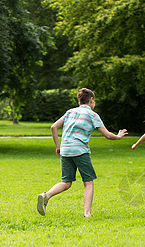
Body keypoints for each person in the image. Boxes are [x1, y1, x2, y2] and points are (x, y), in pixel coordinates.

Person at [37, 88, 128, 218]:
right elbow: (107, 135)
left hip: (66, 150)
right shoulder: (92, 115)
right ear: (91, 100)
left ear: (79, 101)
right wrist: (118, 136)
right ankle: (87, 214)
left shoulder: (70, 112)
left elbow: (53, 127)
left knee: (66, 182)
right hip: (80, 150)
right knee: (88, 182)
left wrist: (58, 147)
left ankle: (46, 195)